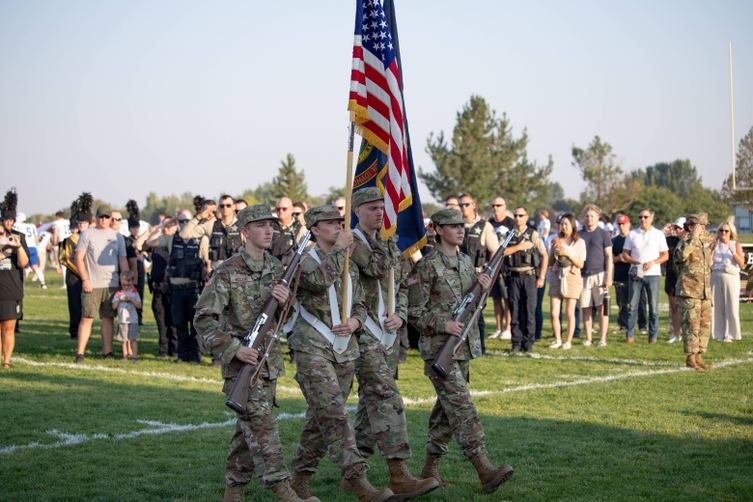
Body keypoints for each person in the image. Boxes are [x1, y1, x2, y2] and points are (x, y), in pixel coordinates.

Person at [194, 205, 319, 502]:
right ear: (245, 232)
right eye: (261, 225)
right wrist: (234, 349)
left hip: (269, 363)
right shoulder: (228, 271)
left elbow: (284, 321)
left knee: (247, 428)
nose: (269, 231)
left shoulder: (278, 269)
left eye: (271, 226)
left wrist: (285, 302)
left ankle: (233, 490)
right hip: (242, 365)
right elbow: (203, 318)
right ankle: (282, 489)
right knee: (263, 426)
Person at [288, 205, 393, 502]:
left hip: (345, 350)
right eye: (329, 223)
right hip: (312, 348)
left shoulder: (345, 260)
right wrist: (339, 250)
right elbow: (319, 280)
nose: (337, 227)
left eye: (339, 222)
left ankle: (299, 480)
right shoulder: (304, 260)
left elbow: (360, 301)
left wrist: (356, 321)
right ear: (314, 229)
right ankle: (360, 482)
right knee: (335, 415)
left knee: (320, 420)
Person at [408, 208, 513, 494]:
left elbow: (473, 305)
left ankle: (429, 471)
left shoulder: (466, 261)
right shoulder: (427, 265)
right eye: (452, 226)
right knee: (462, 406)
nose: (460, 229)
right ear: (437, 230)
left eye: (461, 225)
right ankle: (484, 469)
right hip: (438, 349)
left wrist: (484, 287)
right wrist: (444, 323)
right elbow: (414, 311)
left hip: (462, 348)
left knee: (446, 410)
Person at [343, 187, 438, 500]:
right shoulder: (352, 242)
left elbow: (399, 281)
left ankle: (351, 474)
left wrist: (400, 314)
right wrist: (387, 248)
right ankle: (399, 475)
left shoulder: (386, 242)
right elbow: (376, 269)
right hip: (360, 331)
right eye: (371, 208)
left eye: (381, 207)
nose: (379, 213)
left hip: (386, 331)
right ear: (357, 211)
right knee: (386, 396)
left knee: (370, 402)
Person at [145, 210, 209, 364]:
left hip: (194, 288)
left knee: (195, 325)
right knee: (179, 324)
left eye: (187, 220)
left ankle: (195, 355)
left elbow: (208, 264)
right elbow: (149, 242)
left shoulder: (201, 240)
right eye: (181, 221)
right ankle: (182, 355)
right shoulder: (171, 239)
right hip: (176, 290)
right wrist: (164, 225)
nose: (184, 224)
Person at [74, 205, 129, 362]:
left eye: (106, 217)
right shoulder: (87, 234)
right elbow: (79, 258)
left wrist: (126, 282)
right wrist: (85, 279)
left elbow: (122, 260)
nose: (103, 220)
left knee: (108, 318)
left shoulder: (118, 237)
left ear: (111, 219)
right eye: (101, 217)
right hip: (92, 283)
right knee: (87, 318)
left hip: (111, 284)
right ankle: (80, 353)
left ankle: (107, 351)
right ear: (96, 218)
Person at [502, 206, 548, 353]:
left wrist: (541, 276)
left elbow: (545, 255)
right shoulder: (509, 235)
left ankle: (528, 343)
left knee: (529, 311)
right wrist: (519, 247)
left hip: (529, 276)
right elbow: (501, 252)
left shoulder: (533, 234)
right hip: (513, 277)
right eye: (515, 215)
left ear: (526, 217)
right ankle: (516, 342)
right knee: (514, 310)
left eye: (521, 215)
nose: (517, 218)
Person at [458, 193, 499, 354]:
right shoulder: (457, 225)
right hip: (459, 274)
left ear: (473, 205)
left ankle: (480, 347)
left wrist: (488, 273)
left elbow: (494, 250)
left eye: (466, 204)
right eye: (460, 205)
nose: (463, 208)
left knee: (477, 312)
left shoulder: (484, 226)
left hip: (478, 275)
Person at [621, 208, 668, 344]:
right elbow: (625, 254)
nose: (643, 219)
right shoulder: (632, 234)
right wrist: (632, 261)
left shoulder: (658, 234)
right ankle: (630, 336)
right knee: (632, 306)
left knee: (653, 307)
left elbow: (665, 255)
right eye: (640, 217)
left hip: (652, 275)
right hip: (635, 274)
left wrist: (653, 262)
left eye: (646, 217)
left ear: (651, 218)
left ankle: (653, 337)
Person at [674, 213, 714, 370]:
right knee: (691, 326)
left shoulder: (704, 245)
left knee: (704, 326)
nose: (703, 228)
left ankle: (699, 357)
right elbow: (680, 257)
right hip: (689, 293)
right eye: (700, 225)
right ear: (690, 226)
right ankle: (691, 358)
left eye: (704, 225)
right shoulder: (684, 243)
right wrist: (693, 237)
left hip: (704, 293)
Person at [135, 220, 177, 357]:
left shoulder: (175, 242)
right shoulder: (156, 243)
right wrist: (153, 230)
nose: (166, 228)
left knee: (173, 321)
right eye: (165, 225)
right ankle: (163, 349)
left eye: (170, 225)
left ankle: (175, 349)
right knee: (161, 320)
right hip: (158, 287)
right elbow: (138, 244)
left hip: (172, 286)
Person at [548, 213, 586, 349]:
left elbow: (581, 264)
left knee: (570, 312)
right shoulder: (555, 239)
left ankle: (568, 341)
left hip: (572, 277)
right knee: (554, 312)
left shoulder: (579, 242)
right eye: (561, 224)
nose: (563, 227)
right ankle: (558, 339)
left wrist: (568, 254)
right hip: (556, 276)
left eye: (566, 224)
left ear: (572, 226)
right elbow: (550, 262)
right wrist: (553, 250)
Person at [1, 189, 29, 368]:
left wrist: (18, 247)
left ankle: (6, 361)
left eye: (12, 220)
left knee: (8, 328)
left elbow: (24, 263)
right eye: (6, 220)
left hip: (11, 289)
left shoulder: (19, 237)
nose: (9, 223)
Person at [59, 193, 93, 340]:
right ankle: (74, 331)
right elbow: (65, 259)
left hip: (88, 276)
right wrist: (81, 272)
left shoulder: (92, 238)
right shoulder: (70, 240)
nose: (81, 225)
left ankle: (86, 331)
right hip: (74, 276)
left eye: (84, 223)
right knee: (74, 304)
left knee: (87, 305)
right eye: (79, 223)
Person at [579, 205, 613, 347]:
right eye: (587, 216)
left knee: (601, 307)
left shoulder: (603, 234)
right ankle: (588, 338)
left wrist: (608, 276)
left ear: (598, 218)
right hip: (583, 275)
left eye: (592, 216)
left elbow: (609, 256)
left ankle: (602, 339)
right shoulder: (579, 234)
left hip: (600, 273)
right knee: (586, 307)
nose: (589, 218)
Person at [181, 194, 241, 272]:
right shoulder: (211, 225)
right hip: (218, 276)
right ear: (219, 208)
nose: (225, 208)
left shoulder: (241, 225)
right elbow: (184, 234)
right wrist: (199, 217)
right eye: (222, 206)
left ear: (233, 207)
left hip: (237, 275)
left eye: (228, 205)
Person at [612, 215, 648, 335]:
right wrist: (619, 258)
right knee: (622, 302)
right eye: (620, 224)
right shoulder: (615, 241)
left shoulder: (634, 238)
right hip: (620, 275)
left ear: (629, 224)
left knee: (640, 301)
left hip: (635, 274)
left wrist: (628, 259)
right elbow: (611, 258)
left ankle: (642, 325)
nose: (622, 226)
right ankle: (623, 325)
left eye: (624, 224)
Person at [710, 220, 744, 342]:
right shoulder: (714, 244)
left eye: (726, 231)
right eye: (721, 230)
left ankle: (731, 334)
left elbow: (741, 263)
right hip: (716, 276)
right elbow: (708, 263)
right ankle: (718, 333)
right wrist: (712, 250)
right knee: (717, 307)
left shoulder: (736, 244)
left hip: (731, 277)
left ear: (731, 233)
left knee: (732, 306)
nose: (723, 233)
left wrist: (732, 250)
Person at [487, 196, 515, 341]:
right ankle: (499, 328)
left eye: (499, 205)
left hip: (507, 266)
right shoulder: (489, 224)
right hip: (493, 266)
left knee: (506, 298)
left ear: (504, 206)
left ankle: (508, 328)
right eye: (493, 205)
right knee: (496, 299)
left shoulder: (511, 223)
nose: (496, 208)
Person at [664, 218, 687, 343]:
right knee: (674, 307)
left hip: (686, 278)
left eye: (680, 228)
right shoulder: (669, 241)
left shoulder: (690, 241)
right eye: (676, 228)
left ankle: (689, 334)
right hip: (672, 277)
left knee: (687, 308)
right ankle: (677, 335)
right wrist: (665, 231)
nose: (678, 230)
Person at [112, 270, 142, 361]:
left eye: (128, 285)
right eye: (124, 285)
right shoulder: (118, 293)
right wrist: (119, 300)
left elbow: (139, 305)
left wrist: (132, 299)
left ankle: (134, 356)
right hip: (122, 320)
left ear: (132, 282)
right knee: (123, 340)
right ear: (121, 283)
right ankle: (125, 356)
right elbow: (113, 307)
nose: (126, 287)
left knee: (133, 339)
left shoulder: (134, 292)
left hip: (133, 320)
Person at [13, 212, 46, 288]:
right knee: (35, 266)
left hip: (24, 248)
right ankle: (43, 283)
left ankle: (21, 283)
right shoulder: (32, 226)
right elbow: (36, 239)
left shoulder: (17, 226)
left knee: (20, 265)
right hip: (33, 247)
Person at [271, 197, 306, 266]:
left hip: (289, 272)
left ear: (292, 209)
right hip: (269, 269)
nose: (281, 211)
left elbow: (308, 252)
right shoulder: (270, 226)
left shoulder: (300, 229)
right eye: (278, 209)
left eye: (284, 209)